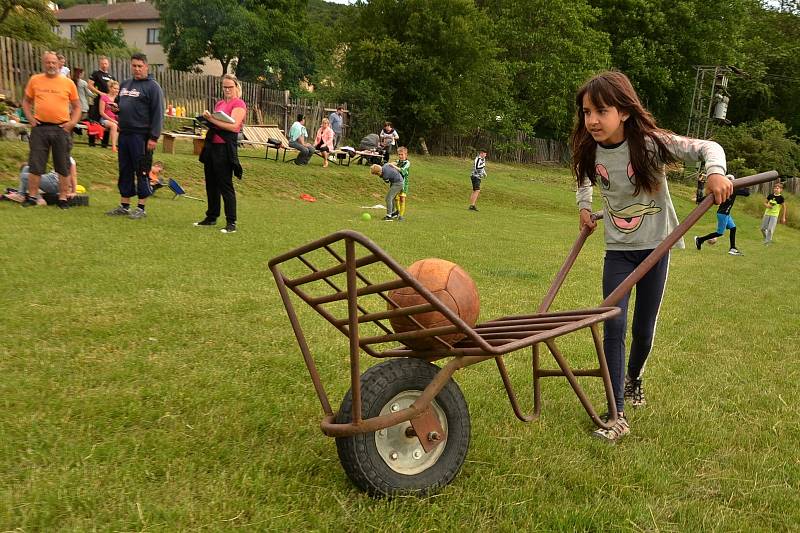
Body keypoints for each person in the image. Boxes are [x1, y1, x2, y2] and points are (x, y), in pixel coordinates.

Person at [573, 71, 732, 443]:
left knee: (642, 331)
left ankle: (634, 377)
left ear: (624, 112)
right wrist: (585, 207)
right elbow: (582, 177)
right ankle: (616, 414)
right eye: (586, 112)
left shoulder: (650, 143)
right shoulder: (588, 148)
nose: (592, 120)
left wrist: (715, 173)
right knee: (612, 323)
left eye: (601, 111)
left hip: (656, 248)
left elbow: (708, 147)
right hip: (618, 251)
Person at [106, 53, 164, 220]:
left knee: (142, 171)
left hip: (142, 136)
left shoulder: (153, 87)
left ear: (146, 67)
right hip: (125, 134)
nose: (137, 69)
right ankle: (124, 205)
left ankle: (141, 207)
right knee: (125, 169)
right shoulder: (125, 84)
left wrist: (154, 137)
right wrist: (116, 108)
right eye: (134, 66)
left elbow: (158, 114)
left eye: (140, 66)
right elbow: (120, 104)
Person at [21, 50, 81, 209]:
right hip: (40, 128)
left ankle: (63, 199)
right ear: (44, 63)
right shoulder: (35, 80)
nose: (51, 65)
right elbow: (26, 102)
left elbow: (77, 107)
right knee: (35, 164)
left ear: (58, 64)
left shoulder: (68, 83)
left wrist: (71, 124)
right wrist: (31, 119)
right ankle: (32, 197)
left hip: (61, 129)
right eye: (48, 62)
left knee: (62, 164)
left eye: (54, 62)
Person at [194, 74, 246, 234]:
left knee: (225, 185)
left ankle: (231, 222)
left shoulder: (239, 104)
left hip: (225, 148)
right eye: (224, 87)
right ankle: (211, 216)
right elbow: (217, 124)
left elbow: (233, 126)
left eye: (230, 86)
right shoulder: (220, 103)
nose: (227, 90)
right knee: (211, 183)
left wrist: (212, 120)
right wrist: (207, 119)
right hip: (212, 146)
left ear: (237, 87)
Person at [694, 175, 749, 256]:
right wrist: (746, 182)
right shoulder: (731, 190)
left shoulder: (728, 189)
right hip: (723, 214)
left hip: (726, 213)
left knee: (733, 228)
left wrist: (698, 199)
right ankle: (700, 239)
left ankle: (732, 248)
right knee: (720, 233)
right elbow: (746, 193)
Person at [2, 159, 77, 204]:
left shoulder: (69, 159)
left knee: (24, 176)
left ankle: (38, 199)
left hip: (54, 183)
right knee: (26, 167)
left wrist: (73, 191)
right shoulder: (59, 155)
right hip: (50, 178)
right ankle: (20, 194)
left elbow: (73, 176)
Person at [87, 56, 116, 148]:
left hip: (108, 102)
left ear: (108, 64)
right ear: (100, 64)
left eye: (106, 63)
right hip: (98, 101)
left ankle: (104, 144)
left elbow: (115, 87)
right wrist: (100, 93)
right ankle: (91, 144)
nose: (104, 65)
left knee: (107, 121)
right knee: (94, 121)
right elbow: (89, 85)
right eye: (103, 63)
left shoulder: (111, 77)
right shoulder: (96, 74)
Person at [389, 146, 411, 220]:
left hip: (404, 184)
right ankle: (398, 211)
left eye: (402, 154)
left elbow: (402, 170)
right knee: (396, 198)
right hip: (397, 183)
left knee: (402, 198)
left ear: (406, 155)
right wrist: (390, 164)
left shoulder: (407, 163)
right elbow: (393, 163)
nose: (400, 156)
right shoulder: (398, 161)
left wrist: (393, 166)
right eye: (399, 154)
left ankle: (401, 216)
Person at [98, 80, 120, 152]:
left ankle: (122, 146)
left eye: (117, 89)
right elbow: (101, 112)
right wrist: (113, 120)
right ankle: (113, 147)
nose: (116, 90)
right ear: (110, 88)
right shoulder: (104, 97)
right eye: (114, 88)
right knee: (114, 125)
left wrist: (117, 109)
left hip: (116, 119)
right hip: (104, 119)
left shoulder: (118, 99)